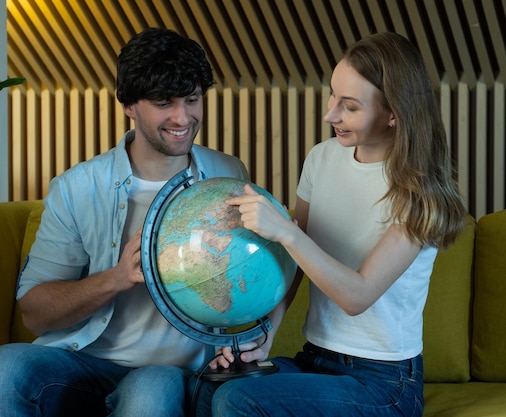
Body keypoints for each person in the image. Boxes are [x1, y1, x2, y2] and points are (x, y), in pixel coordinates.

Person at [0, 27, 248, 417]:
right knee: (0, 370)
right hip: (84, 361)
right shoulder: (77, 188)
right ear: (129, 105)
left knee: (148, 391)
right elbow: (34, 313)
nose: (183, 117)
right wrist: (117, 278)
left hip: (169, 372)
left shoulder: (228, 174)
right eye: (163, 102)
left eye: (192, 99)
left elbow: (249, 280)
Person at [193, 32, 468, 417]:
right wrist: (264, 339)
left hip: (384, 382)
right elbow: (293, 269)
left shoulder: (421, 194)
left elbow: (357, 296)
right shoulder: (321, 158)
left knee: (238, 400)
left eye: (350, 106)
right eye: (332, 96)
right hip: (317, 358)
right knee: (212, 387)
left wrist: (287, 232)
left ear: (393, 113)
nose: (330, 115)